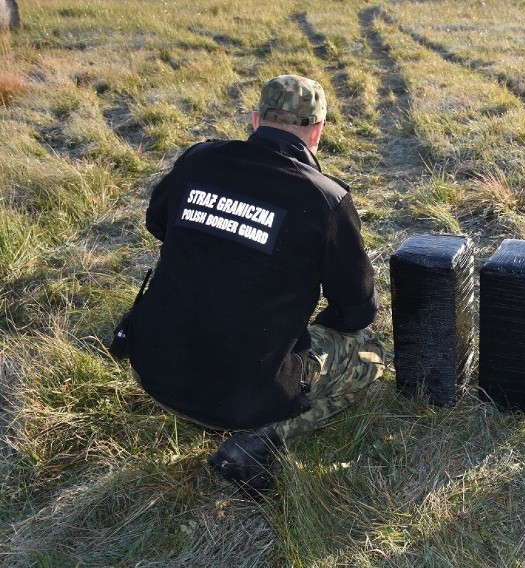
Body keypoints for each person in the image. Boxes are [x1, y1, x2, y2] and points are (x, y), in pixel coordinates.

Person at [124, 74, 386, 494]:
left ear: (254, 120)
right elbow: (358, 310)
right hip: (244, 399)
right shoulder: (325, 198)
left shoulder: (199, 159)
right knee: (371, 354)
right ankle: (262, 439)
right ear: (317, 131)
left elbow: (158, 223)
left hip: (153, 369)